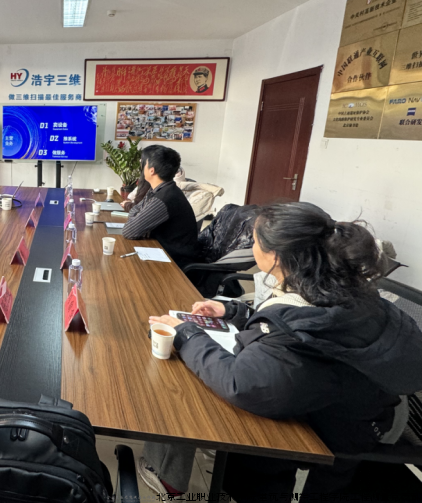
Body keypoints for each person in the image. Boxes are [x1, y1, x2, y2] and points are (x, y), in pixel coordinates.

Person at [140, 202, 422, 500]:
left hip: (344, 429)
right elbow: (299, 321)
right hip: (366, 402)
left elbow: (241, 383)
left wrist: (186, 334)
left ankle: (184, 477)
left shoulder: (305, 319)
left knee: (193, 394)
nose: (251, 245)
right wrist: (235, 312)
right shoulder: (339, 283)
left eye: (254, 239)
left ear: (274, 256)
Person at [122, 145, 198, 267]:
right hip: (161, 252)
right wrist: (136, 218)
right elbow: (134, 210)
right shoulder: (160, 190)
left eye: (143, 163)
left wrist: (136, 219)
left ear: (151, 170)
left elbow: (129, 231)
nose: (141, 166)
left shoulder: (164, 198)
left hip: (173, 263)